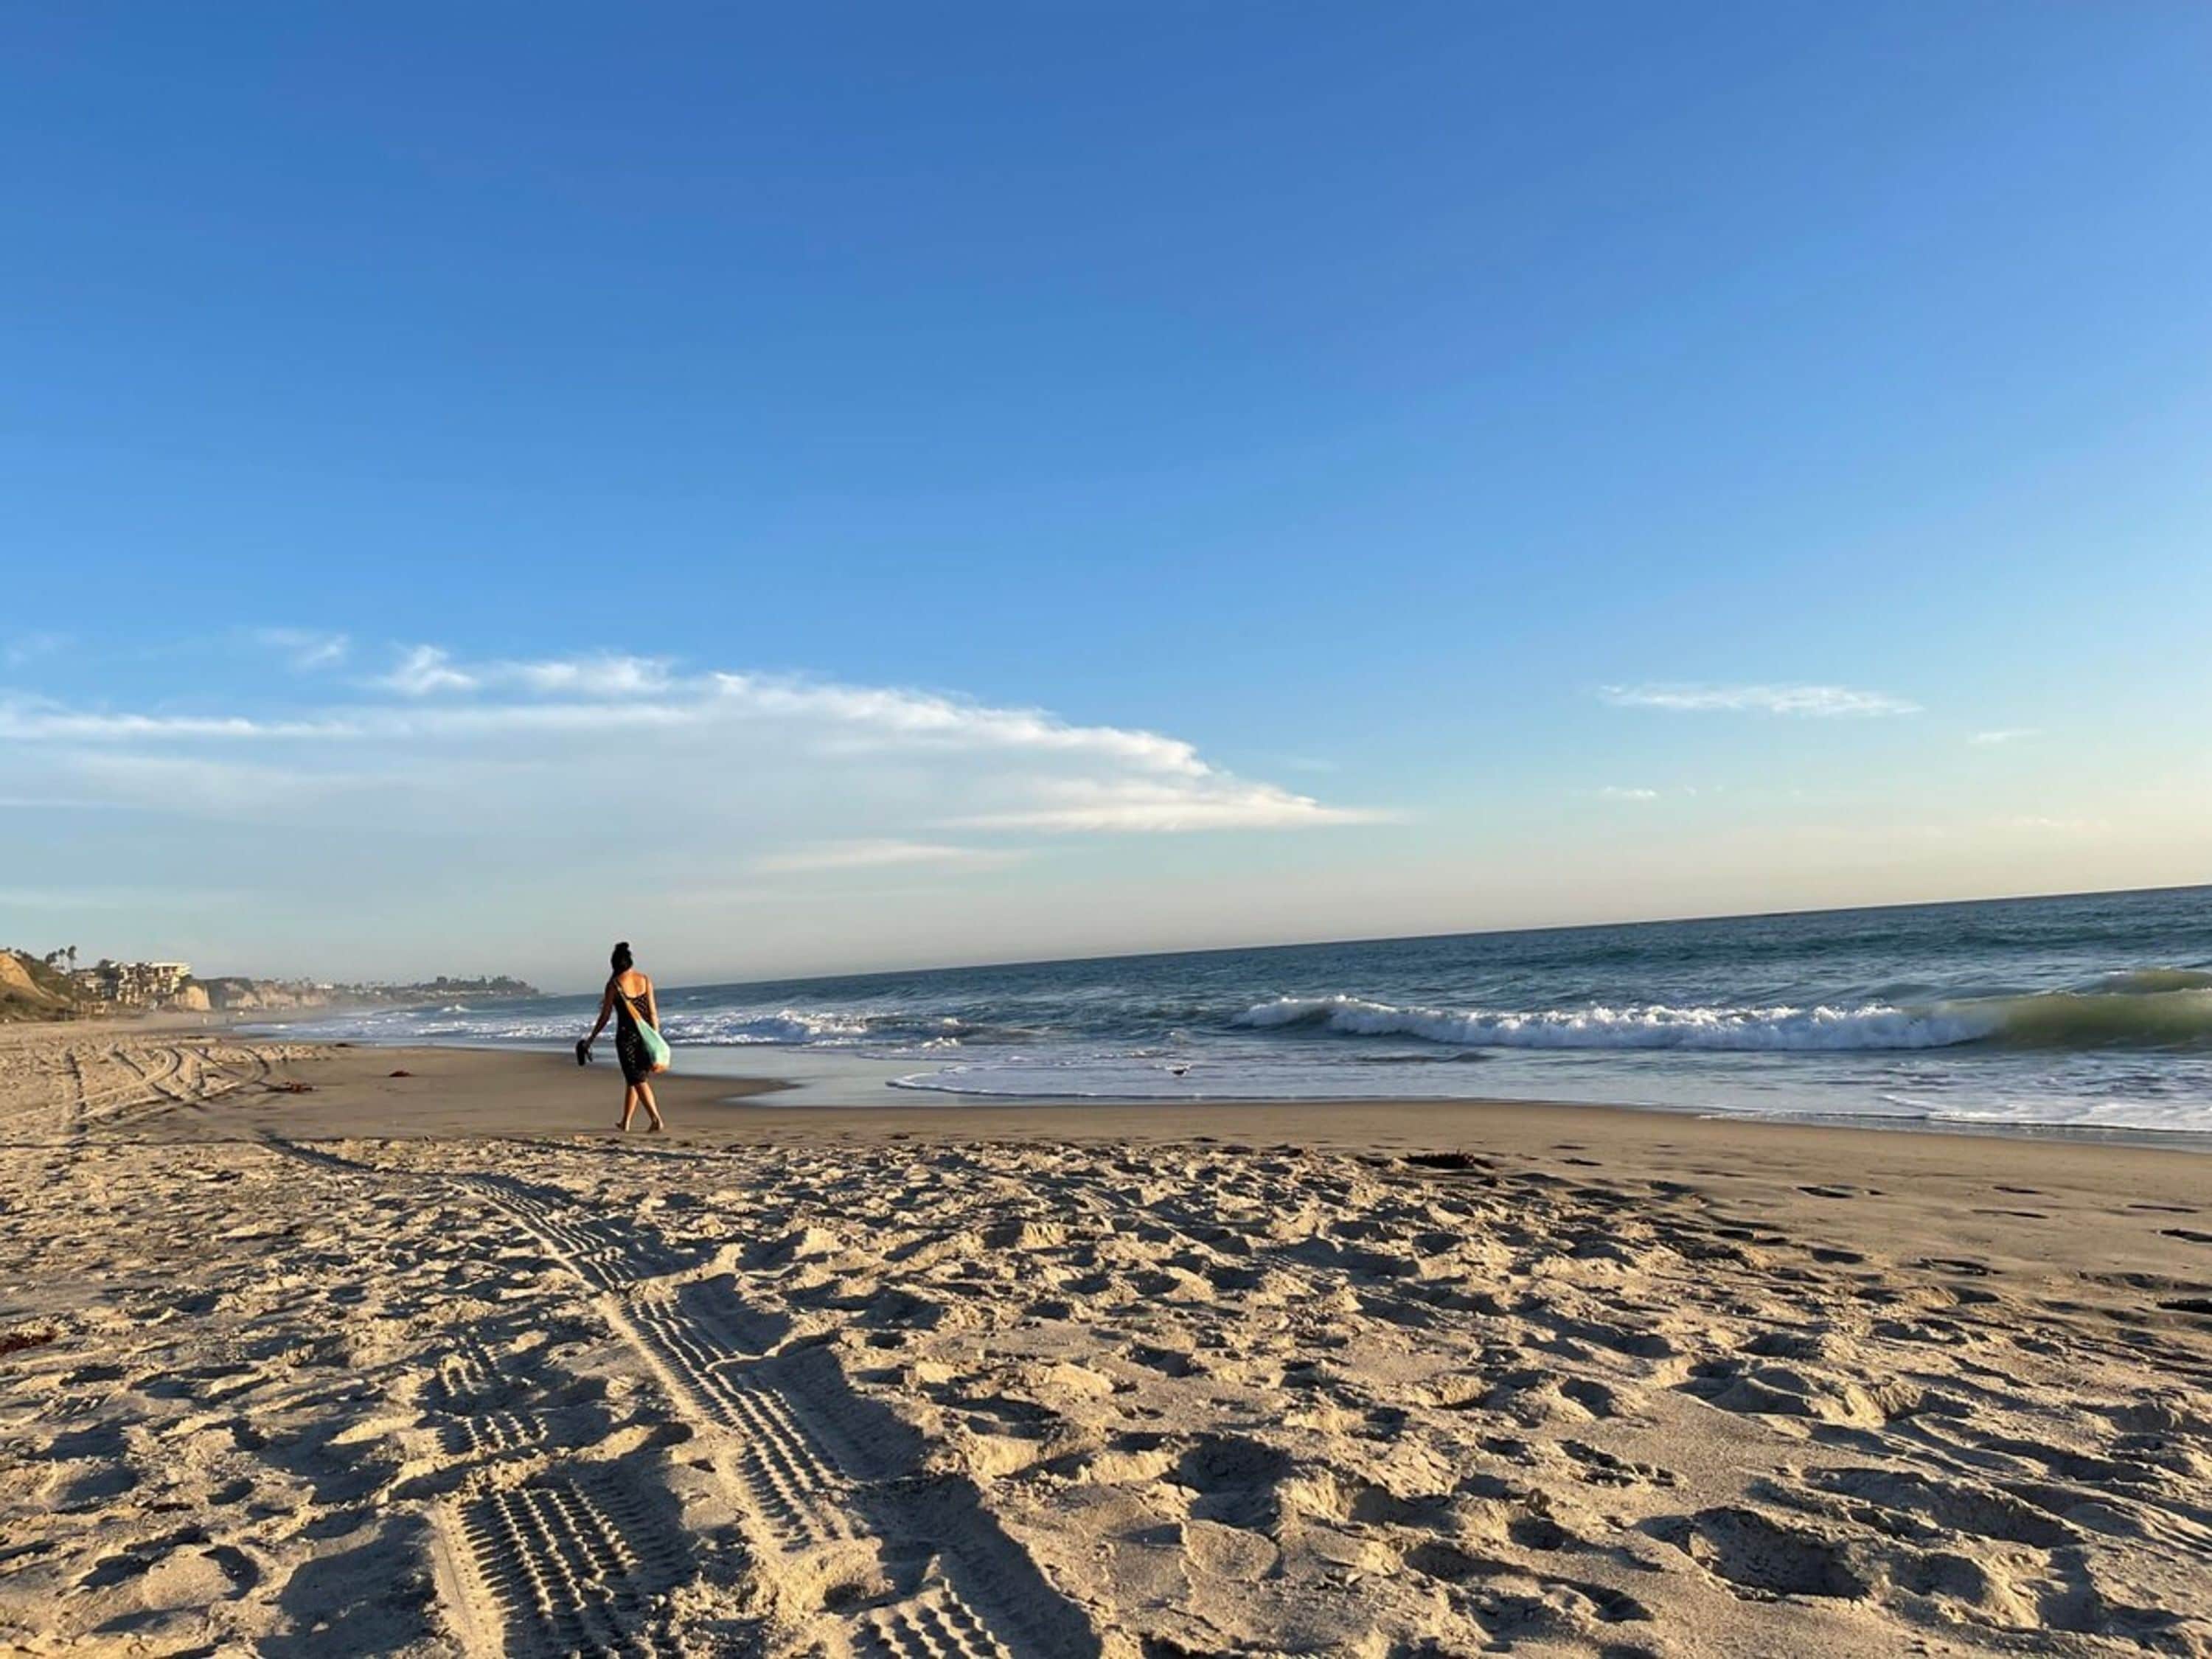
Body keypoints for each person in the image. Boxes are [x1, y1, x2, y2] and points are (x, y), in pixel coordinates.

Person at [581, 941, 665, 1133]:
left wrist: (591, 1038)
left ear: (614, 965)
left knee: (637, 1080)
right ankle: (625, 1122)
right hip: (646, 1036)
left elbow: (605, 1017)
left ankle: (655, 1119)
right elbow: (653, 1013)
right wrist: (655, 1037)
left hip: (626, 1038)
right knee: (634, 1078)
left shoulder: (615, 984)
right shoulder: (645, 980)